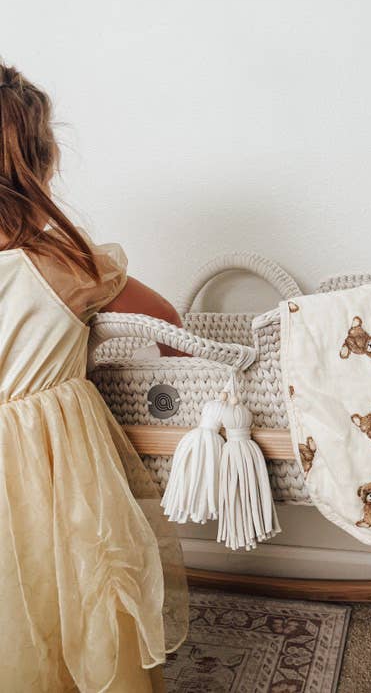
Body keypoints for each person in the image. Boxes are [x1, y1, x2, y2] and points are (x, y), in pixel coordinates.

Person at [0, 63, 188, 692]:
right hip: (45, 469)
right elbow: (166, 321)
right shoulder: (61, 263)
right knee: (73, 582)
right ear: (42, 162)